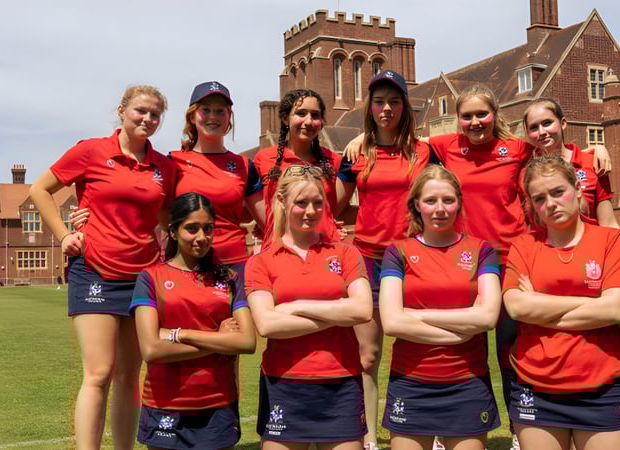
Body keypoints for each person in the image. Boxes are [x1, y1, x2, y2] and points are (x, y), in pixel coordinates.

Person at [29, 85, 175, 450]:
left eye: (155, 115)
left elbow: (165, 218)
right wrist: (64, 234)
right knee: (98, 374)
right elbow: (40, 190)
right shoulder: (91, 151)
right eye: (141, 111)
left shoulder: (164, 166)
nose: (148, 119)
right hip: (94, 270)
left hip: (143, 278)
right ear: (122, 110)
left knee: (130, 376)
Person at [503, 153, 620, 450]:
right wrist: (591, 304)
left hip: (601, 388)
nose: (549, 204)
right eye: (539, 199)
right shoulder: (524, 246)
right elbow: (516, 308)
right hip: (535, 387)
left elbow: (614, 309)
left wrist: (540, 303)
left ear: (577, 189)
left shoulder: (611, 240)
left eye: (557, 192)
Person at [334, 70, 433, 450]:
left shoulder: (425, 152)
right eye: (379, 102)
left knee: (423, 345)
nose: (386, 108)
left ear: (405, 106)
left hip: (414, 259)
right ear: (369, 107)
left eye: (394, 101)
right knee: (368, 353)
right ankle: (370, 438)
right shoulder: (356, 154)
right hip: (368, 259)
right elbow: (332, 207)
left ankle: (431, 431)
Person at [245, 164, 373, 449]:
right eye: (301, 203)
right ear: (282, 202)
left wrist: (296, 306)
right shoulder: (261, 262)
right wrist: (339, 311)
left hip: (341, 381)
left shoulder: (346, 252)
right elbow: (267, 325)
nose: (310, 211)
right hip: (284, 383)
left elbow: (363, 310)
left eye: (317, 203)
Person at [379, 165, 502, 450]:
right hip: (410, 383)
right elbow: (392, 324)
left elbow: (487, 317)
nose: (440, 208)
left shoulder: (483, 250)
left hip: (467, 382)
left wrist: (416, 314)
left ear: (459, 202)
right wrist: (460, 332)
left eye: (448, 200)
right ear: (417, 205)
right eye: (431, 201)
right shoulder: (397, 252)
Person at [130, 192, 256, 449]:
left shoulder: (230, 279)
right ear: (173, 232)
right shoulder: (149, 278)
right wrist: (219, 339)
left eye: (208, 228)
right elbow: (152, 350)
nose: (201, 237)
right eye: (192, 228)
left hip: (218, 404)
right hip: (165, 404)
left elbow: (247, 342)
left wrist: (179, 334)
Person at [169, 81, 266, 304]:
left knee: (237, 336)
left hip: (233, 266)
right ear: (193, 116)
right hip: (186, 265)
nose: (213, 116)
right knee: (185, 336)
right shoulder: (172, 162)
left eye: (220, 111)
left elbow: (268, 221)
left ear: (228, 116)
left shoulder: (244, 166)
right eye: (206, 110)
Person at [254, 89, 342, 246]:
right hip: (279, 251)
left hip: (325, 249)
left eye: (315, 115)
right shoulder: (265, 159)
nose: (309, 121)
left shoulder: (334, 161)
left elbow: (336, 209)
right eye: (301, 114)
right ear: (285, 118)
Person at [522, 98, 619, 229]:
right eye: (534, 128)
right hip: (546, 247)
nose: (542, 132)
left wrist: (599, 148)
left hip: (588, 245)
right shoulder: (524, 172)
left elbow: (608, 223)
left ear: (563, 123)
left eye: (547, 123)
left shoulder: (592, 163)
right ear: (528, 133)